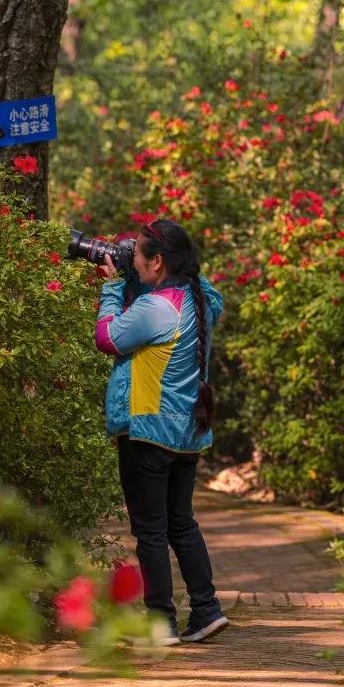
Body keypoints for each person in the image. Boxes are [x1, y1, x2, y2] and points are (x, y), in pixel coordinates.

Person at [94, 215, 229, 645]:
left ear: (156, 263)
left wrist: (113, 289)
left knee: (150, 529)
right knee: (180, 523)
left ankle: (160, 622)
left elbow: (108, 337)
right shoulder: (198, 299)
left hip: (148, 429)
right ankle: (206, 610)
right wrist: (135, 283)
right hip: (186, 431)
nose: (129, 259)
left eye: (135, 254)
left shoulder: (157, 308)